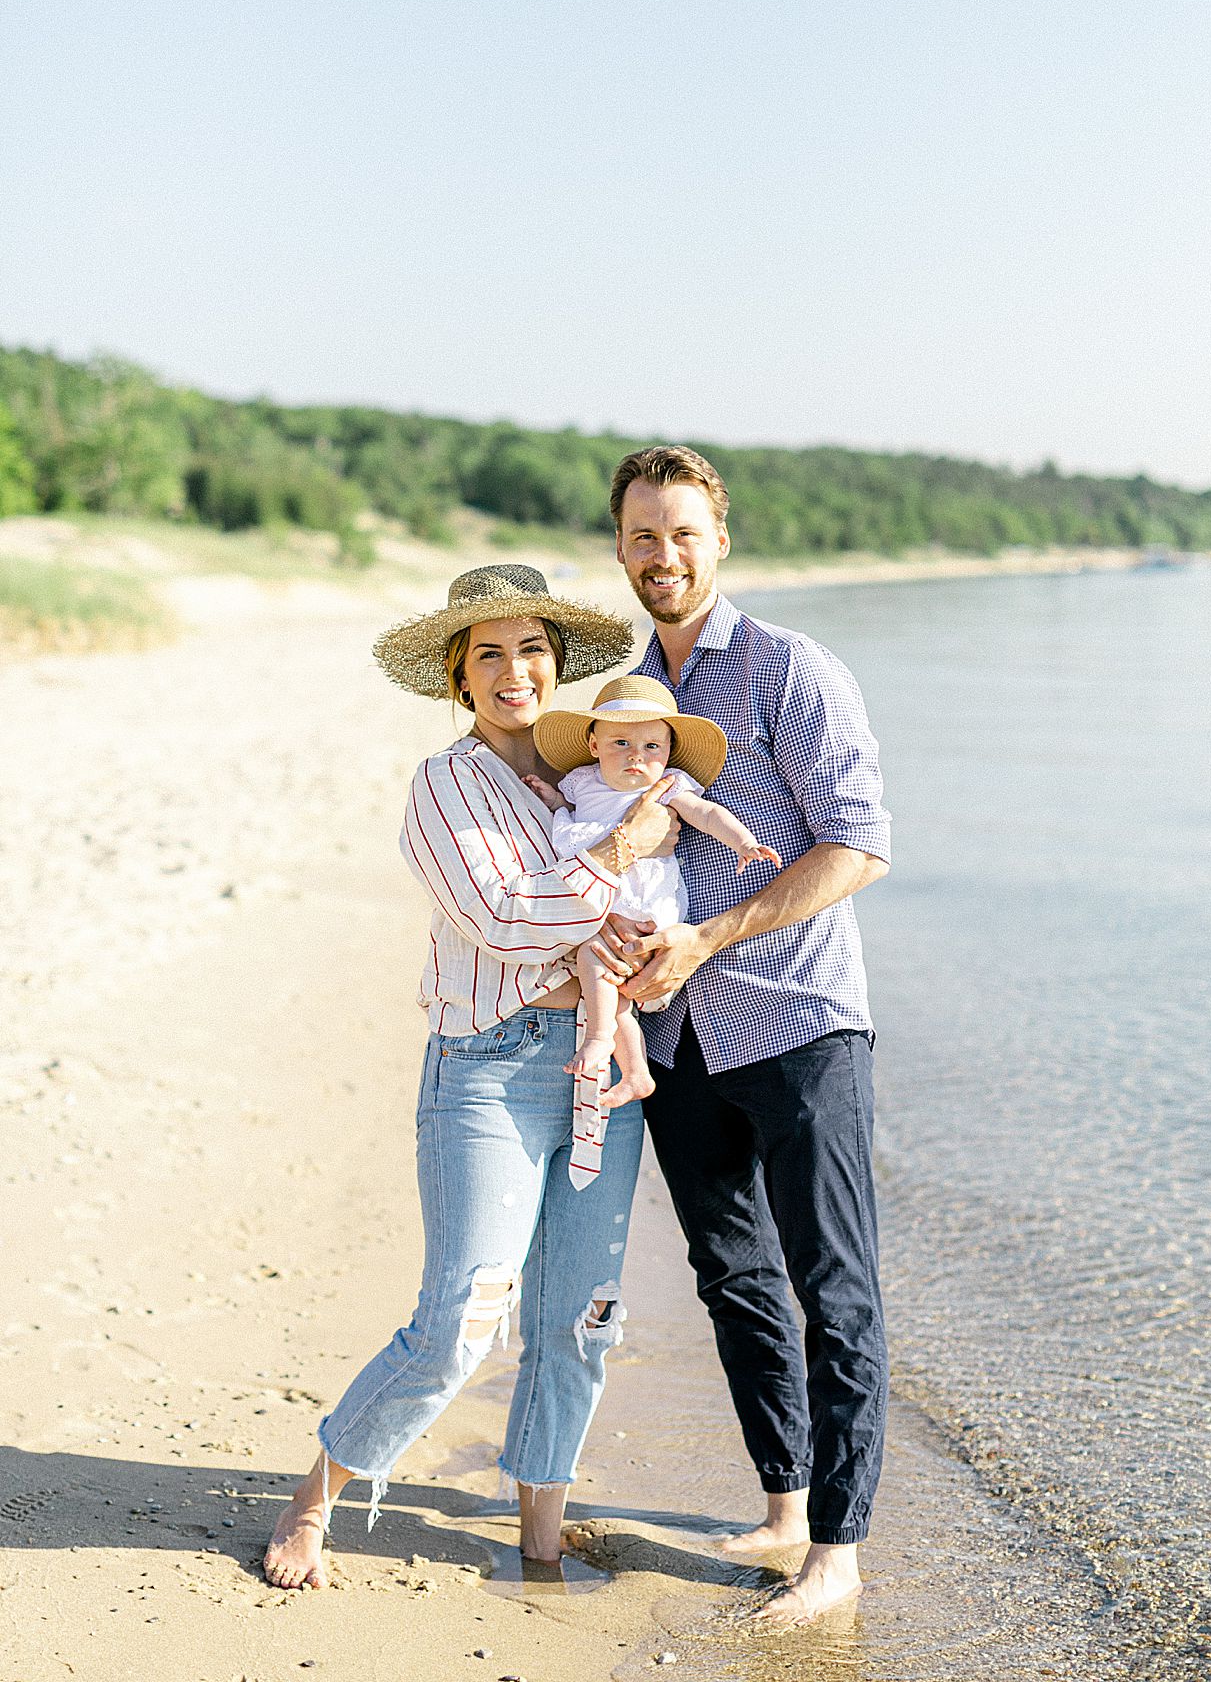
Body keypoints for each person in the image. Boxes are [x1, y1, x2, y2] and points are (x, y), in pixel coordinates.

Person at [263, 563, 678, 1590]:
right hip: (486, 1071)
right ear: (457, 678)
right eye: (486, 653)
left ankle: (540, 1536)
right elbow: (500, 916)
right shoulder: (445, 783)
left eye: (530, 649)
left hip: (593, 1077)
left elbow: (633, 923)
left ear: (556, 665)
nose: (512, 670)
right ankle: (311, 1504)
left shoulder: (585, 780)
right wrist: (622, 850)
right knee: (458, 1322)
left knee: (578, 1318)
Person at [604, 446, 892, 1629]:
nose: (661, 556)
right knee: (732, 1276)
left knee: (834, 1282)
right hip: (677, 1041)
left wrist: (710, 936)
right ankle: (782, 1504)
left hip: (797, 1020)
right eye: (639, 537)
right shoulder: (627, 699)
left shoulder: (789, 670)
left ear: (718, 540)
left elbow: (858, 844)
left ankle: (837, 1548)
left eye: (680, 533)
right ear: (619, 550)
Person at [526, 675, 781, 1138]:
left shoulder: (667, 785)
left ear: (666, 752)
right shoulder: (581, 781)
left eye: (651, 746)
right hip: (598, 896)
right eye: (620, 742)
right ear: (593, 743)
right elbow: (569, 807)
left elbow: (705, 814)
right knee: (607, 974)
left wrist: (743, 841)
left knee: (602, 967)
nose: (635, 756)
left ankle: (600, 1041)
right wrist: (551, 798)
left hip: (649, 899)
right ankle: (637, 1072)